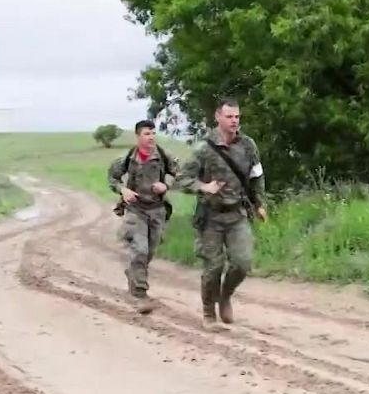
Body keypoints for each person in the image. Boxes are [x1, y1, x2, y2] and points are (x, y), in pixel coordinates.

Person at [173, 98, 267, 325]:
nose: (234, 121)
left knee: (242, 263)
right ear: (218, 118)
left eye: (237, 117)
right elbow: (182, 179)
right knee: (213, 267)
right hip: (211, 216)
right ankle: (208, 312)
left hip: (237, 214)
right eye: (229, 117)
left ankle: (225, 296)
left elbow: (256, 176)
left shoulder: (247, 145)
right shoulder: (203, 149)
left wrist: (260, 203)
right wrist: (203, 187)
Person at [107, 119, 177, 314]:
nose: (151, 137)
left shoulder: (163, 156)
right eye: (147, 134)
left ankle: (134, 273)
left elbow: (180, 173)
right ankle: (140, 294)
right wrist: (123, 190)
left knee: (150, 251)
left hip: (157, 209)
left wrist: (167, 185)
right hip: (135, 210)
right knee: (140, 249)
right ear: (138, 136)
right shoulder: (127, 158)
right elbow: (112, 178)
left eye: (153, 133)